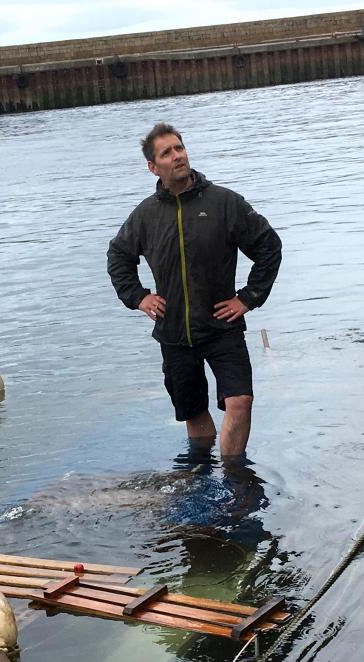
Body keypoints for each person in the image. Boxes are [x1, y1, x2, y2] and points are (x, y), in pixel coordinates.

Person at [107, 122, 281, 459]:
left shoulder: (224, 203)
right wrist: (139, 297)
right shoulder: (146, 216)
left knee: (240, 402)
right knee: (194, 413)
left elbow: (269, 248)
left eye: (179, 148)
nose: (177, 156)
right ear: (153, 167)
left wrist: (247, 298)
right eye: (167, 153)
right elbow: (118, 256)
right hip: (173, 333)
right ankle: (203, 474)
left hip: (222, 326)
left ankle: (233, 473)